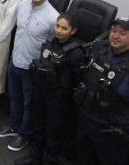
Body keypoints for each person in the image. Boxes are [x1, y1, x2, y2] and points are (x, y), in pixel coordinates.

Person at [0, 0, 59, 151]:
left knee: (29, 103)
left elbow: (53, 47)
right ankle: (13, 126)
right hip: (15, 61)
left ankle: (25, 134)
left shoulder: (53, 17)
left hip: (32, 68)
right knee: (15, 97)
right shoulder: (22, 5)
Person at [14, 13, 85, 165]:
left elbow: (78, 80)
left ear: (73, 31)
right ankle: (35, 158)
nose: (59, 31)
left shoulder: (76, 52)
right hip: (41, 90)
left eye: (64, 28)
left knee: (53, 133)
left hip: (58, 98)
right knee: (38, 126)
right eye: (57, 26)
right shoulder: (51, 40)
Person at [73, 17, 129, 165]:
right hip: (86, 117)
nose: (115, 36)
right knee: (83, 156)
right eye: (114, 31)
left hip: (110, 129)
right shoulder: (99, 48)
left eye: (122, 33)